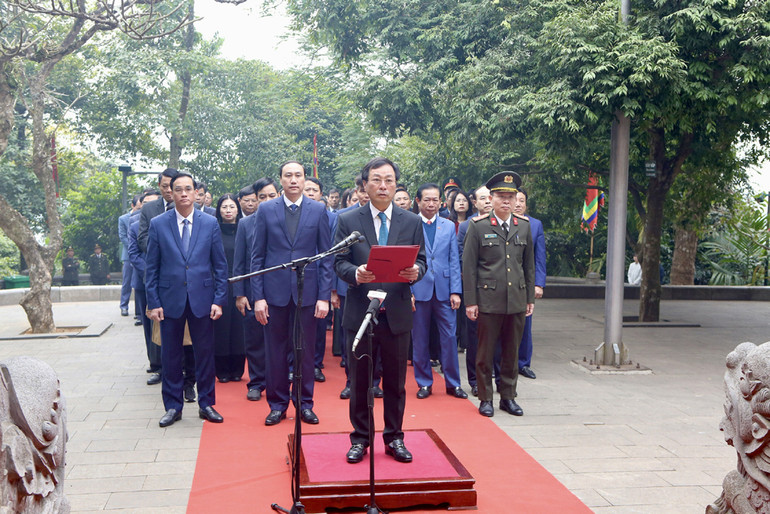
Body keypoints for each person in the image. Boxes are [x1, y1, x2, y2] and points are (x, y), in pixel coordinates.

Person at [334, 157, 427, 464]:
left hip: (396, 314)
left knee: (397, 384)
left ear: (396, 184)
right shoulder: (348, 220)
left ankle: (394, 437)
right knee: (360, 381)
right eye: (376, 179)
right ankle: (360, 439)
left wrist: (417, 271)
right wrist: (354, 273)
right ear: (365, 185)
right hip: (361, 313)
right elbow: (338, 262)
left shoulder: (411, 221)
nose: (383, 185)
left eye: (389, 180)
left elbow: (422, 261)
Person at [250, 161, 333, 426]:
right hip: (273, 295)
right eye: (288, 176)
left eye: (298, 175)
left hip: (307, 294)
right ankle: (277, 404)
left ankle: (305, 403)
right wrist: (258, 297)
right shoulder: (266, 210)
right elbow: (257, 257)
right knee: (275, 352)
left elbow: (326, 257)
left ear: (304, 178)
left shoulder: (318, 210)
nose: (294, 180)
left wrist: (323, 296)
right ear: (281, 180)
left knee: (305, 352)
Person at [146, 172, 228, 427]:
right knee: (170, 356)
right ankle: (172, 406)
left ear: (195, 193)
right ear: (170, 192)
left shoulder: (209, 222)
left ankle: (206, 403)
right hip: (169, 299)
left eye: (188, 189)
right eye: (178, 189)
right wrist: (154, 302)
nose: (183, 193)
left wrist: (219, 299)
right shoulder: (159, 224)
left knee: (205, 354)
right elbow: (152, 268)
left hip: (203, 298)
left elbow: (220, 266)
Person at [463, 171, 534, 418]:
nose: (506, 201)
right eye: (501, 197)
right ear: (490, 199)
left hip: (516, 299)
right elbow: (469, 266)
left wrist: (529, 299)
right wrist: (471, 301)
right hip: (488, 300)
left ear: (516, 201)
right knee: (485, 351)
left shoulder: (523, 226)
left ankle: (508, 397)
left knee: (511, 352)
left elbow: (528, 265)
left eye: (510, 197)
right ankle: (485, 398)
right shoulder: (478, 226)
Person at [410, 183, 467, 400]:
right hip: (419, 288)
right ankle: (424, 383)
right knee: (420, 339)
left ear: (441, 202)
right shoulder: (410, 224)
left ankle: (453, 383)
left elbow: (454, 260)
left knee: (449, 337)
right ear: (418, 201)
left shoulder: (448, 225)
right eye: (427, 200)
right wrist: (409, 291)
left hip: (444, 290)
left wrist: (456, 291)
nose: (431, 204)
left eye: (435, 200)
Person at [234, 177, 278, 401]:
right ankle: (256, 381)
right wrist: (240, 293)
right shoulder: (246, 224)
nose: (267, 200)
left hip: (281, 290)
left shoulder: (286, 221)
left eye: (272, 195)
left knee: (283, 340)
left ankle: (280, 381)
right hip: (253, 291)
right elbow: (240, 261)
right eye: (262, 197)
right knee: (254, 339)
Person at [458, 186, 493, 396]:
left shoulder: (507, 224)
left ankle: (497, 378)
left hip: (498, 293)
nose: (488, 202)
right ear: (475, 202)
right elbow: (465, 259)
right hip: (477, 289)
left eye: (490, 198)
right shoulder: (467, 225)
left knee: (498, 338)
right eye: (483, 198)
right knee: (475, 338)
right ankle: (475, 380)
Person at [127, 191, 163, 385]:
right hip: (143, 282)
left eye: (154, 202)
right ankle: (156, 364)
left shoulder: (168, 225)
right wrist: (151, 272)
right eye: (146, 203)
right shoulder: (134, 227)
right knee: (149, 325)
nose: (149, 206)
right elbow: (133, 255)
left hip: (167, 283)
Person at [512, 189, 546, 380]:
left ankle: (523, 363)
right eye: (515, 200)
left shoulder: (535, 225)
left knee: (526, 323)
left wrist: (539, 284)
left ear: (526, 204)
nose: (517, 203)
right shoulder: (501, 222)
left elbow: (539, 258)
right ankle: (499, 363)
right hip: (504, 282)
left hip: (526, 283)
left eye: (521, 200)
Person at [213, 194, 245, 383]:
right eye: (224, 207)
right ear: (219, 210)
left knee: (239, 328)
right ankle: (222, 369)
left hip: (240, 284)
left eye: (232, 207)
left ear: (237, 209)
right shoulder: (213, 230)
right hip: (220, 284)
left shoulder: (245, 228)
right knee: (221, 328)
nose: (228, 211)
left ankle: (237, 369)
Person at [118, 196, 142, 315]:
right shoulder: (123, 219)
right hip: (128, 255)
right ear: (133, 206)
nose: (140, 209)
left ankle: (139, 311)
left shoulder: (144, 217)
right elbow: (123, 237)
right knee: (127, 281)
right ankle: (124, 306)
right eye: (138, 207)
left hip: (140, 255)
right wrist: (134, 246)